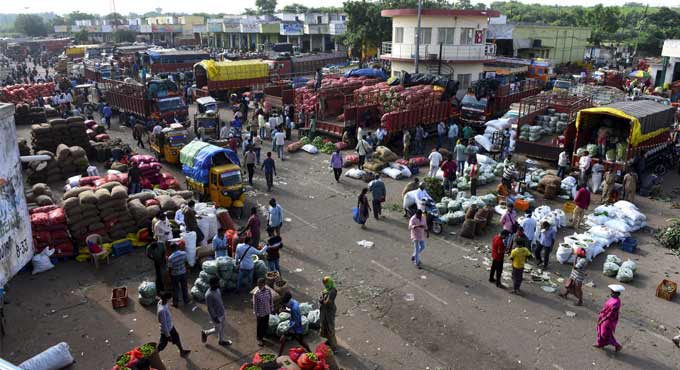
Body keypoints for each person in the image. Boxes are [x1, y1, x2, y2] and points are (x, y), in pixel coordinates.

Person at [157, 292, 191, 357]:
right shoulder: (162, 310)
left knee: (176, 338)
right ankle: (152, 356)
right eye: (170, 298)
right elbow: (164, 324)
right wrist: (168, 335)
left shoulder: (161, 302)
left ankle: (182, 351)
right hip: (167, 330)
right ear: (167, 299)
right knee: (162, 345)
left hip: (170, 327)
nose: (171, 299)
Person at [201, 277, 233, 346]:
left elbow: (219, 300)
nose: (219, 284)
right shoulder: (208, 295)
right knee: (218, 329)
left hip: (221, 312)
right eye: (217, 283)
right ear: (212, 284)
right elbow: (210, 308)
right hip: (216, 316)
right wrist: (215, 318)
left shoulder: (217, 290)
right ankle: (205, 333)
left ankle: (221, 341)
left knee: (222, 327)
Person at [278, 292, 311, 356]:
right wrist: (285, 311)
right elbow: (292, 312)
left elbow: (295, 322)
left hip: (295, 327)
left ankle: (279, 355)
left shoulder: (294, 308)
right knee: (300, 341)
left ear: (287, 302)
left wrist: (288, 330)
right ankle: (310, 352)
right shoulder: (293, 302)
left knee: (283, 339)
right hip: (295, 325)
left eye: (285, 305)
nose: (285, 307)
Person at [594, 285, 625, 352]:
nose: (611, 294)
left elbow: (610, 314)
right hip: (603, 316)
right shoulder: (612, 299)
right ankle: (600, 344)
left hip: (609, 320)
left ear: (617, 294)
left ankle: (617, 345)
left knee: (605, 333)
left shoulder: (616, 302)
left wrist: (603, 320)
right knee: (600, 330)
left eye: (612, 292)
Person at [167, 243, 190, 307]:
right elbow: (186, 262)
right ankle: (186, 300)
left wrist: (169, 276)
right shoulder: (183, 253)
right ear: (177, 247)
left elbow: (170, 268)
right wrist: (187, 270)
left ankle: (175, 303)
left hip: (175, 275)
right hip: (183, 273)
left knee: (175, 289)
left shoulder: (170, 258)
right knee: (184, 287)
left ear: (171, 249)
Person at [253, 278, 274, 346]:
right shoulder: (256, 293)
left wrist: (271, 308)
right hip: (260, 313)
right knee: (260, 326)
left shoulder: (268, 290)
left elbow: (271, 300)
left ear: (264, 284)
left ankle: (263, 336)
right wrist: (256, 313)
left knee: (265, 324)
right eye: (258, 285)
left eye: (261, 285)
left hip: (267, 311)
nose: (259, 286)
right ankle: (259, 338)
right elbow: (255, 304)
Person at [319, 276, 338, 349]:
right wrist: (321, 298)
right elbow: (323, 296)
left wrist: (323, 300)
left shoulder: (333, 291)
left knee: (330, 327)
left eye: (326, 283)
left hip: (329, 311)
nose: (325, 285)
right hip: (324, 310)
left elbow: (328, 302)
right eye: (324, 284)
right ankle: (329, 341)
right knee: (324, 325)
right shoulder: (326, 289)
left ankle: (333, 346)